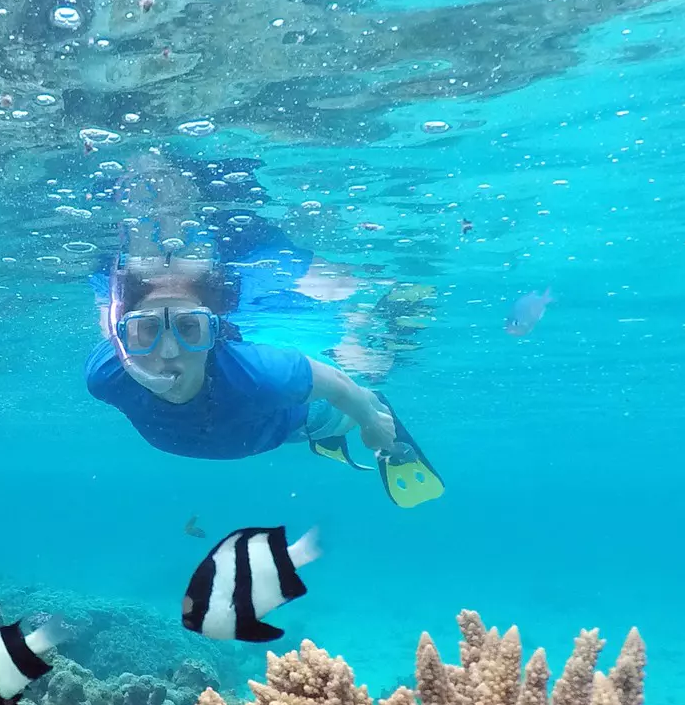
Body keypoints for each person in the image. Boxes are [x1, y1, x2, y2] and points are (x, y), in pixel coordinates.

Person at [84, 154, 442, 505]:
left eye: (189, 328)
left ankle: (351, 405)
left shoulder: (261, 373)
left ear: (215, 333)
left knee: (350, 393)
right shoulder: (105, 374)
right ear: (123, 336)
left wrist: (370, 421)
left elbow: (339, 386)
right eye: (146, 330)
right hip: (252, 425)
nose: (168, 351)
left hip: (293, 423)